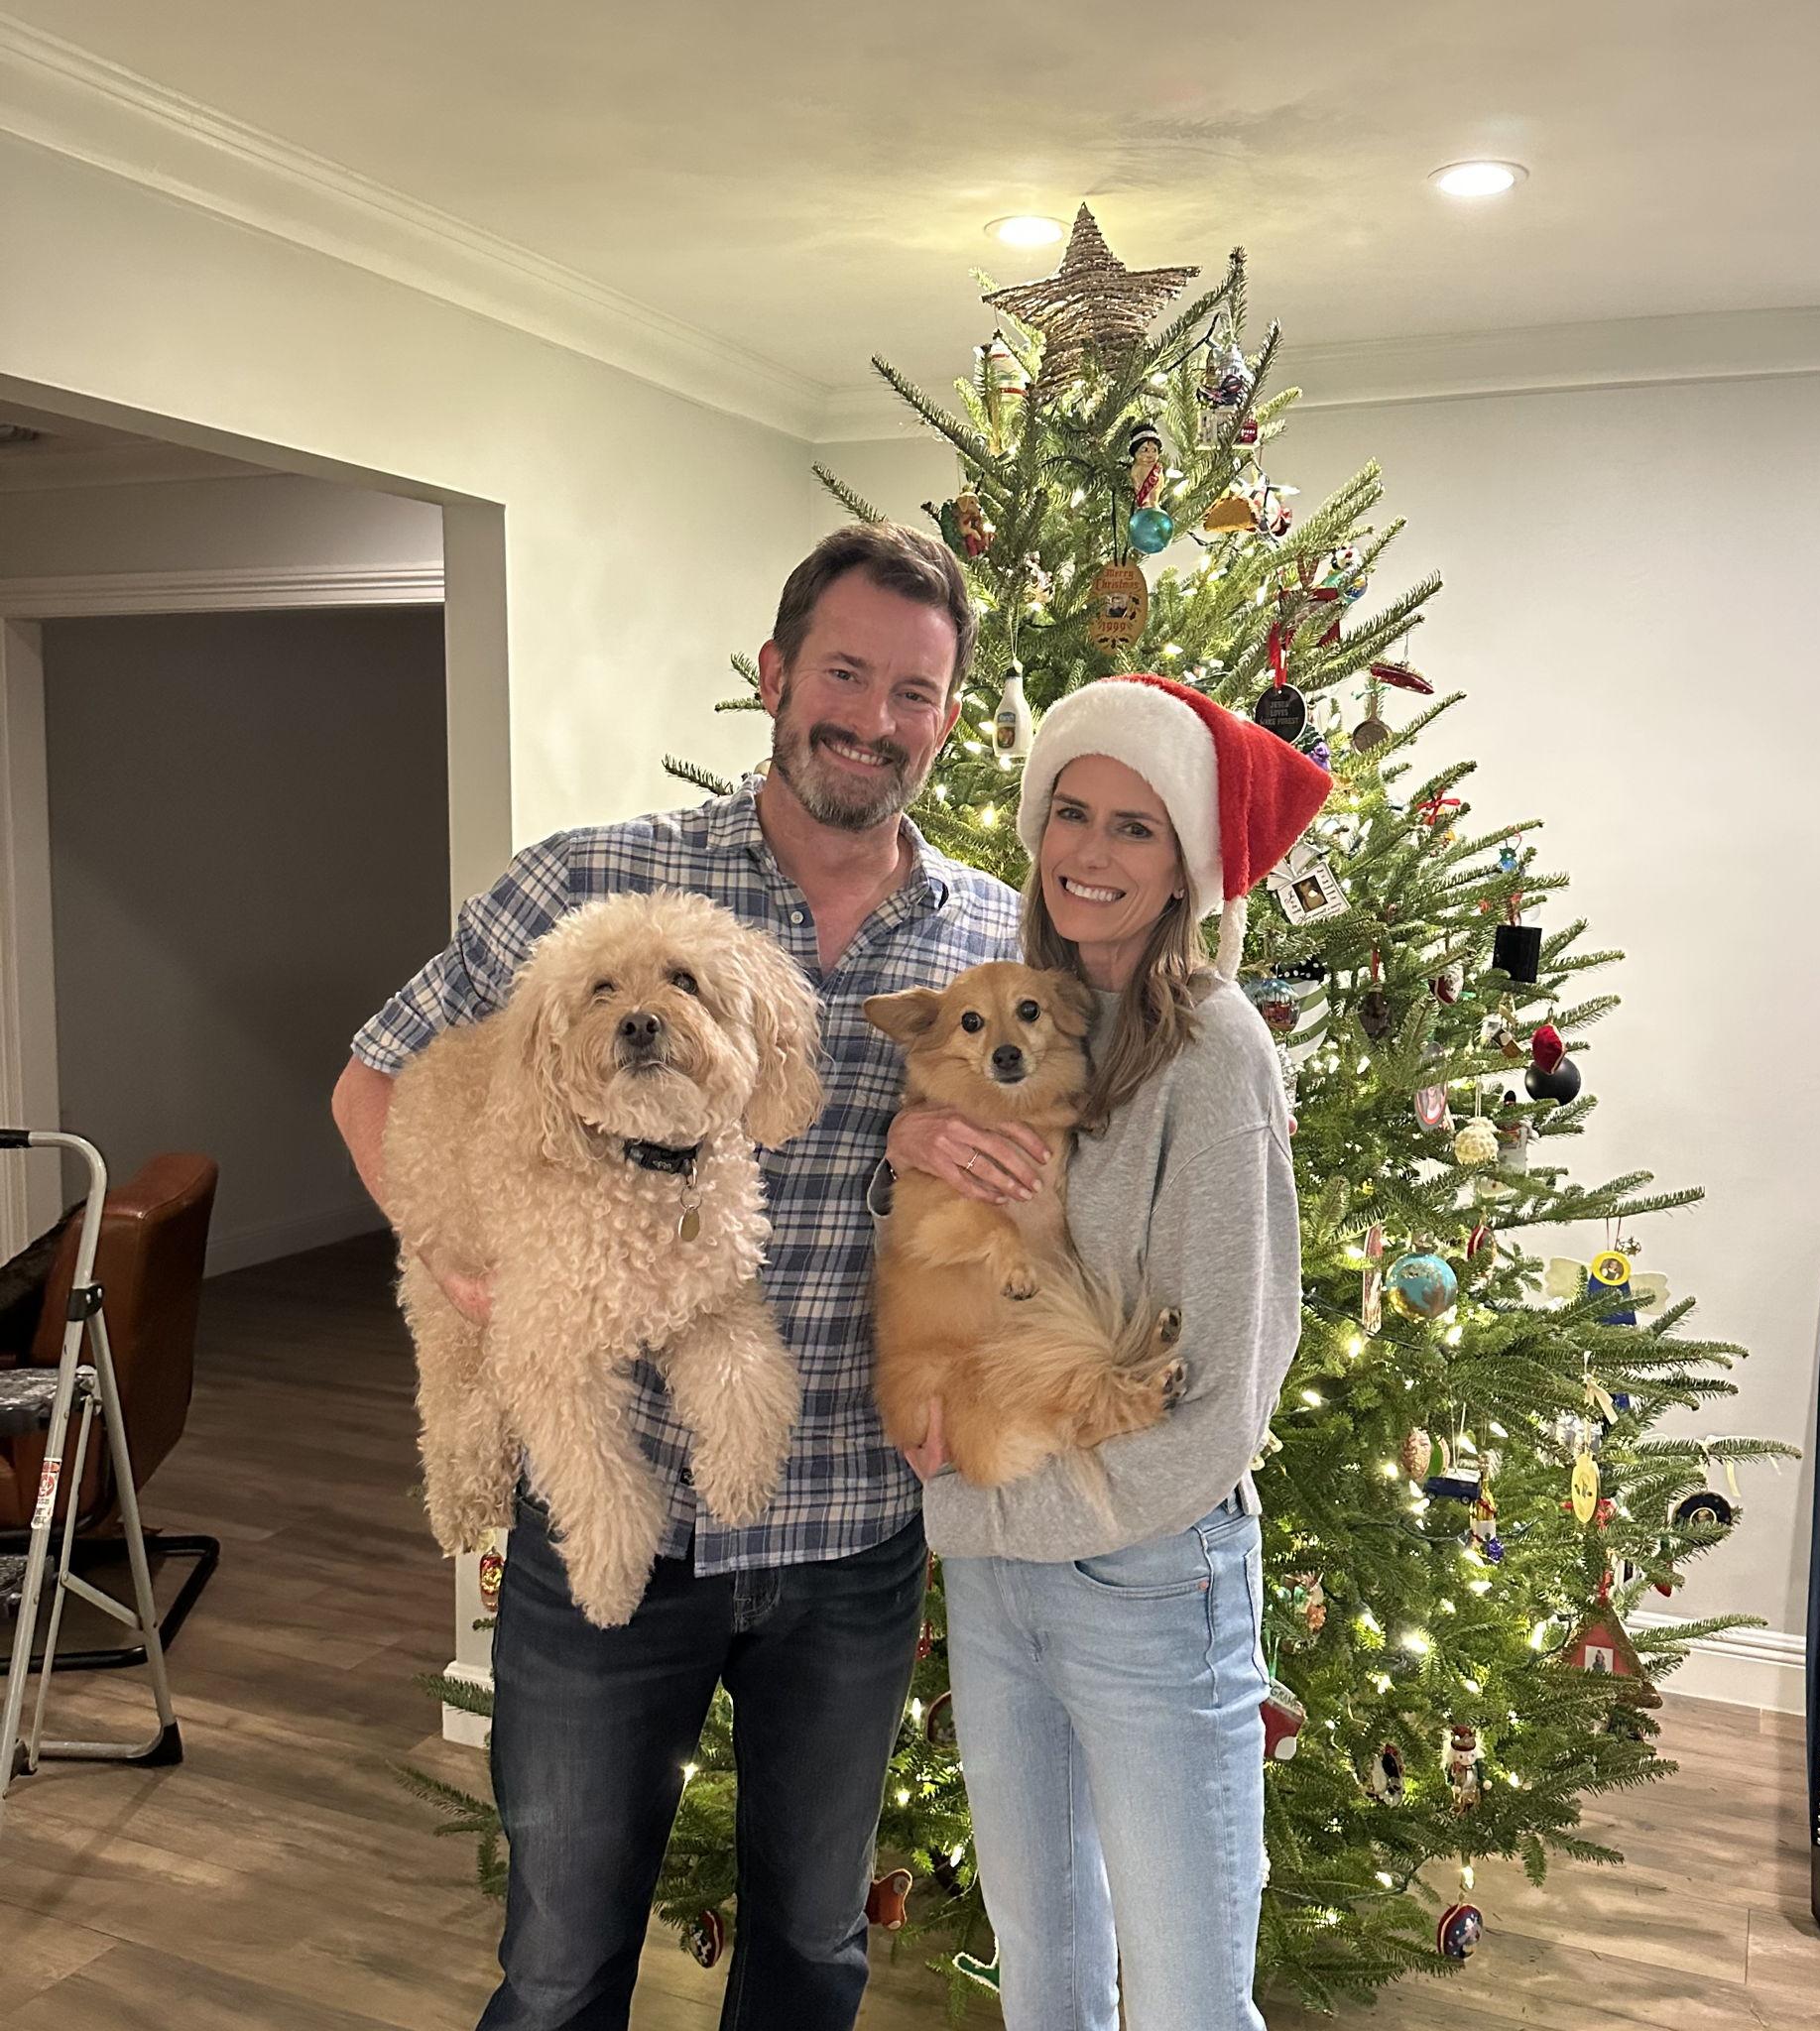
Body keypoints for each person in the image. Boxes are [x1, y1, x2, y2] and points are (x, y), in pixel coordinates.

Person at [330, 522, 1031, 2031]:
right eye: (843, 673)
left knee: (814, 1948)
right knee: (558, 1966)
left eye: (914, 692)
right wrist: (463, 1266)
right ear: (776, 675)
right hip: (610, 1523)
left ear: (947, 718)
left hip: (852, 1530)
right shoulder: (591, 882)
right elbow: (374, 1077)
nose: (873, 718)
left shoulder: (991, 937)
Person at [890, 672, 1331, 2031]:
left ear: (1185, 861)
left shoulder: (1214, 1053)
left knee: (1188, 2000)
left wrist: (1053, 1506)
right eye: (1070, 813)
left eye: (1135, 826)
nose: (1089, 851)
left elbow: (1233, 1375)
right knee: (1045, 1973)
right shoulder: (1010, 1013)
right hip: (992, 1564)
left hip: (1144, 1574)